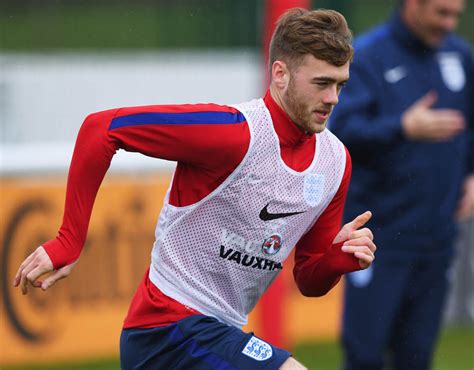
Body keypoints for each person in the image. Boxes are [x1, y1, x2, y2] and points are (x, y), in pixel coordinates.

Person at [13, 8, 377, 370]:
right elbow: (101, 129)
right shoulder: (232, 133)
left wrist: (336, 260)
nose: (333, 98)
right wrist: (69, 240)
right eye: (321, 84)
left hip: (218, 333)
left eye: (339, 85)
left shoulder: (335, 162)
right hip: (164, 330)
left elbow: (309, 279)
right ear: (280, 74)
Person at [329, 0, 474, 369]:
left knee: (417, 356)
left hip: (437, 237)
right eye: (441, 12)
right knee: (365, 354)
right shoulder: (367, 56)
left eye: (456, 14)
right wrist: (402, 127)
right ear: (412, 5)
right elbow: (340, 132)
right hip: (378, 239)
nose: (449, 22)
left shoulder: (459, 55)